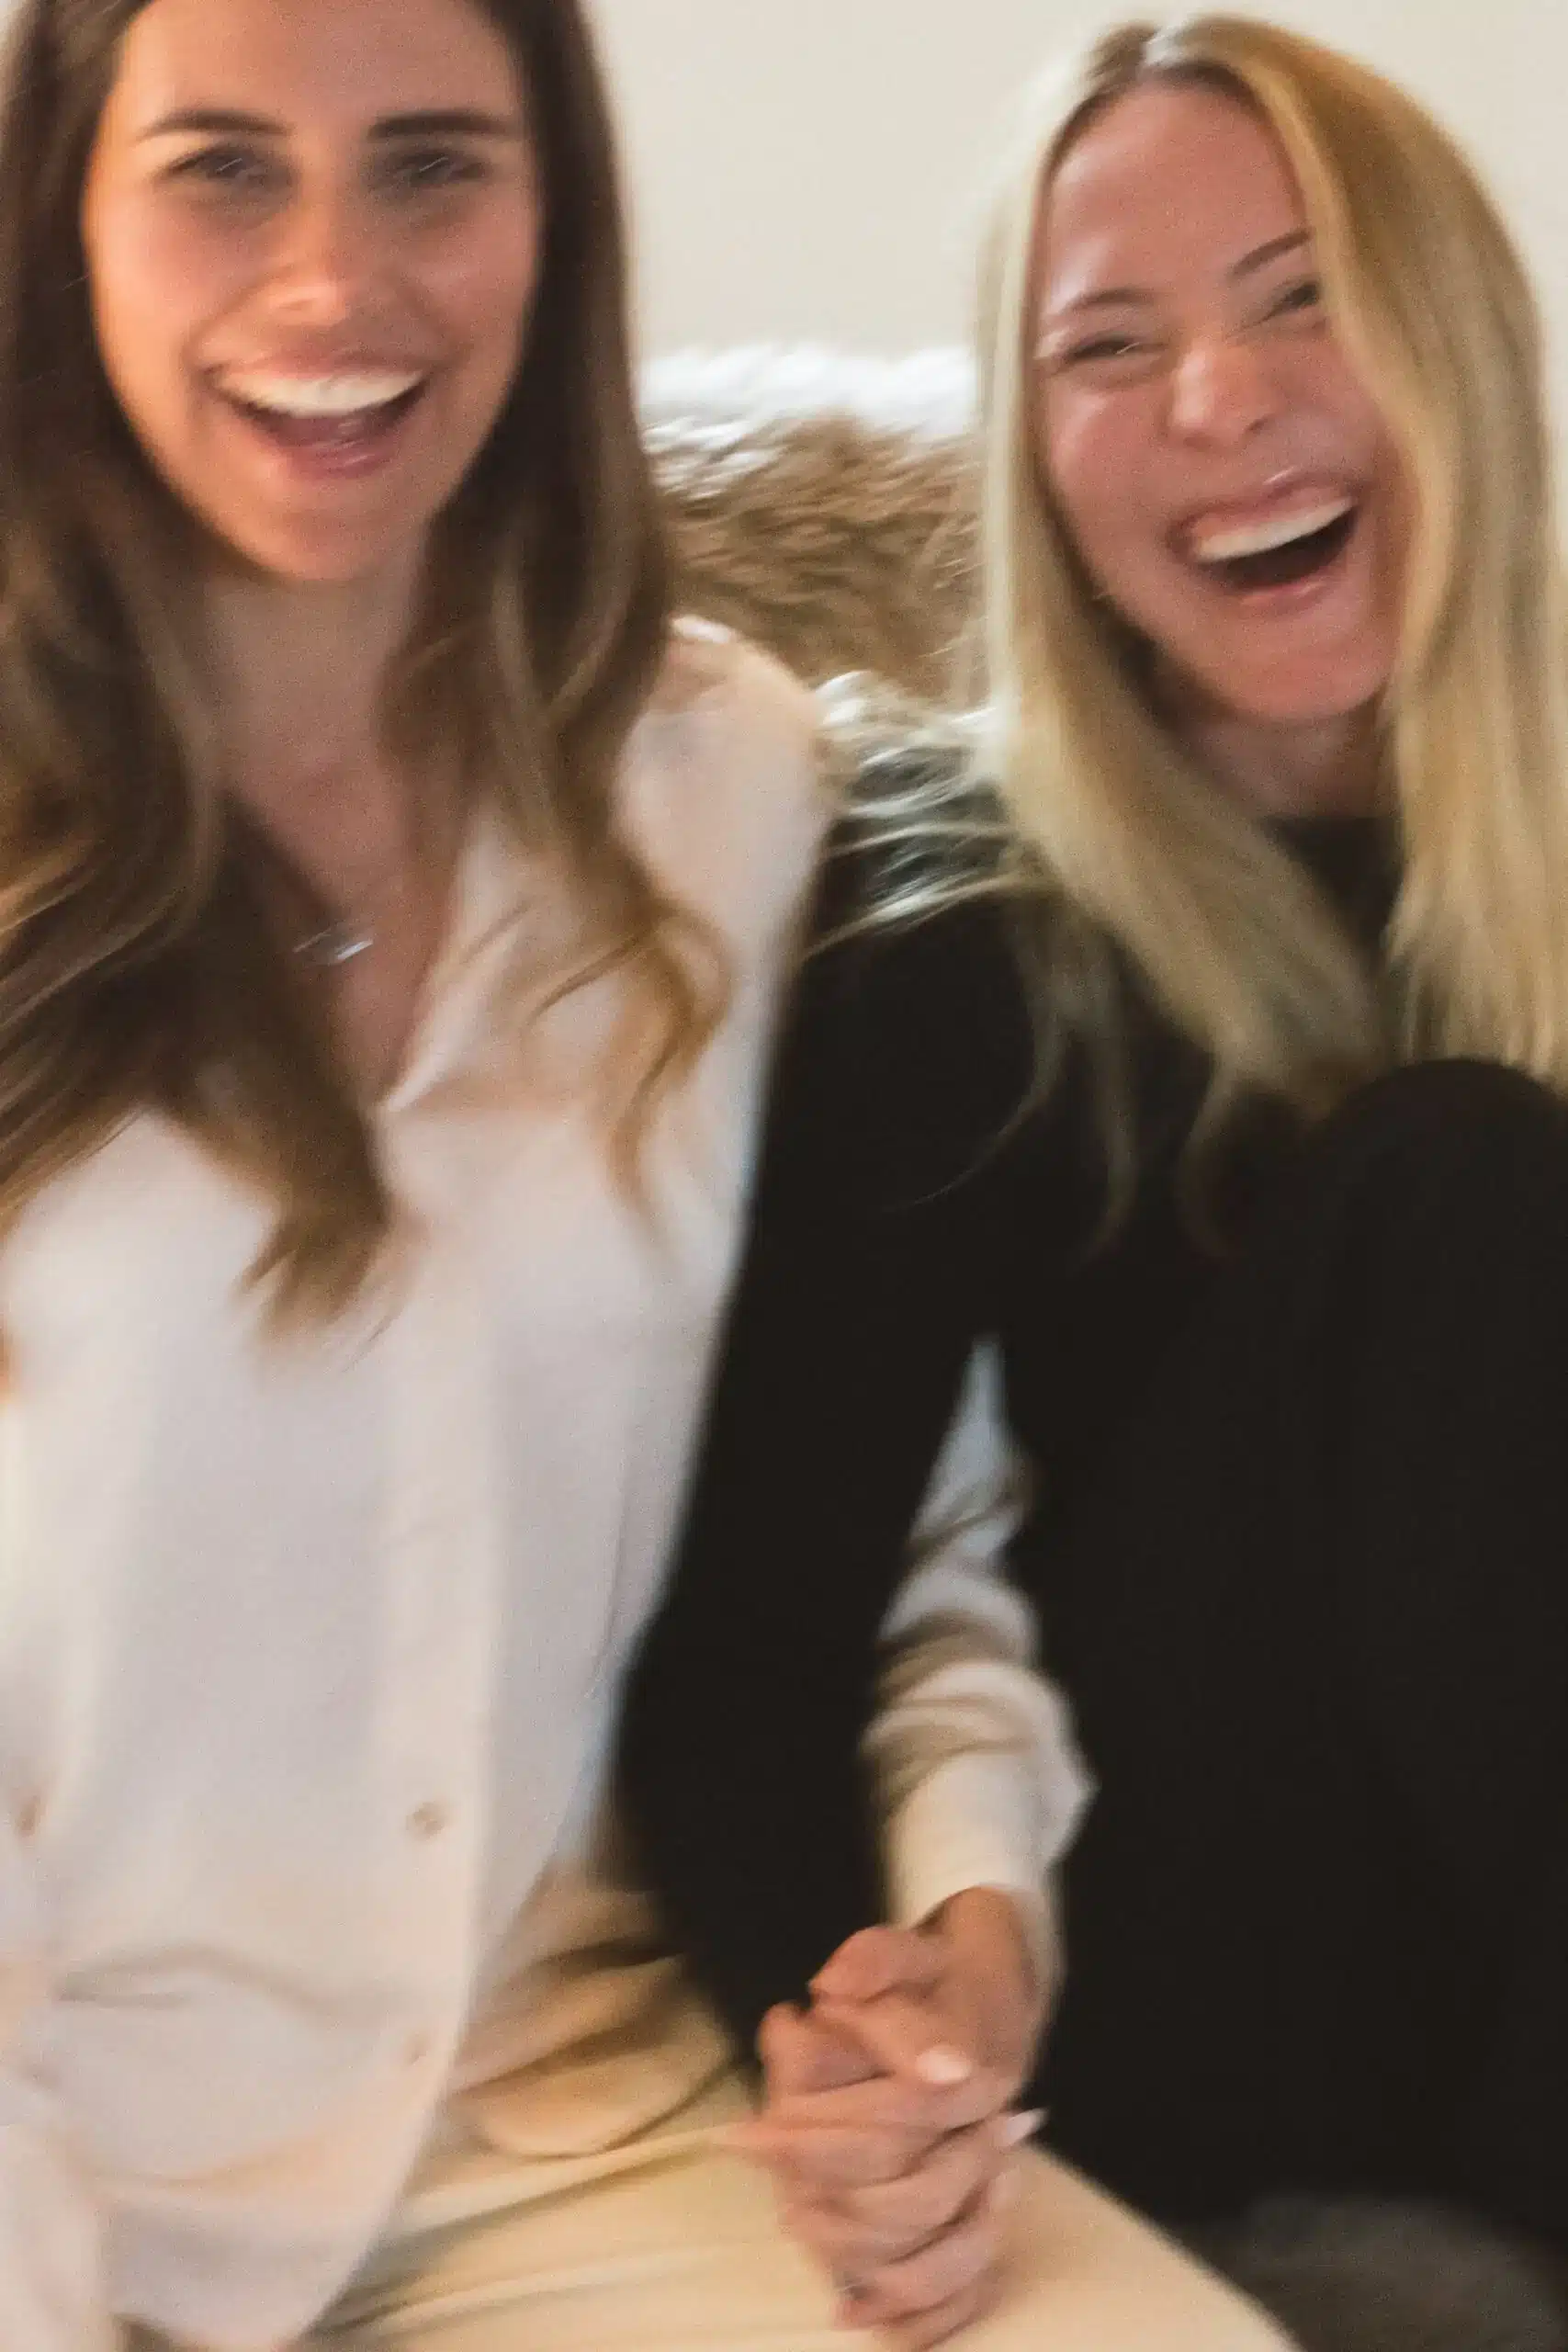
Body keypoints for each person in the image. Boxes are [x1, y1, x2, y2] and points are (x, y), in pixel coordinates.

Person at [0, 2, 1297, 2347]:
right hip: (59, 2151)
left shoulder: (733, 789)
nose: (333, 279)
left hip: (595, 2128)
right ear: (59, 220)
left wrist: (951, 1951)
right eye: (221, 169)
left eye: (431, 165)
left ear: (558, 221)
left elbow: (902, 1538)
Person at [619, 14, 1568, 2346]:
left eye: (1301, 293)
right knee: (1452, 1189)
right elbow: (745, 1654)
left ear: (1454, 330)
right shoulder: (955, 927)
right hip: (1190, 1968)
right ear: (1037, 456)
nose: (1220, 404)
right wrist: (863, 2049)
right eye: (1106, 347)